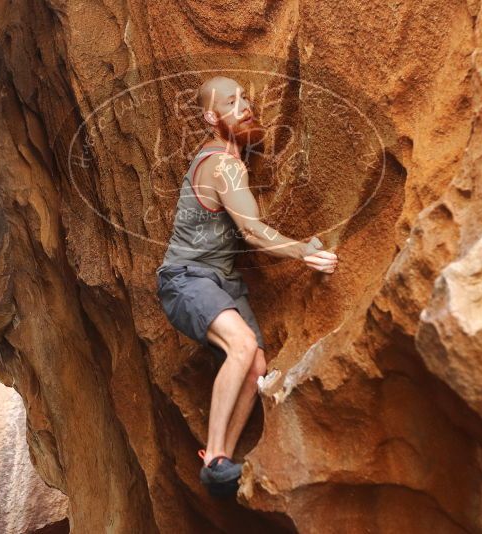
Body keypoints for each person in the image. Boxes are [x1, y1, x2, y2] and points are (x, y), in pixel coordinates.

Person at [155, 76, 339, 496]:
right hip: (187, 278)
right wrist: (302, 251)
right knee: (240, 345)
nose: (245, 106)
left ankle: (223, 462)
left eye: (245, 98)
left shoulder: (235, 158)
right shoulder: (221, 163)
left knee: (256, 364)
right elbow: (253, 233)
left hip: (224, 282)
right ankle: (216, 458)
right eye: (231, 102)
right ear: (211, 117)